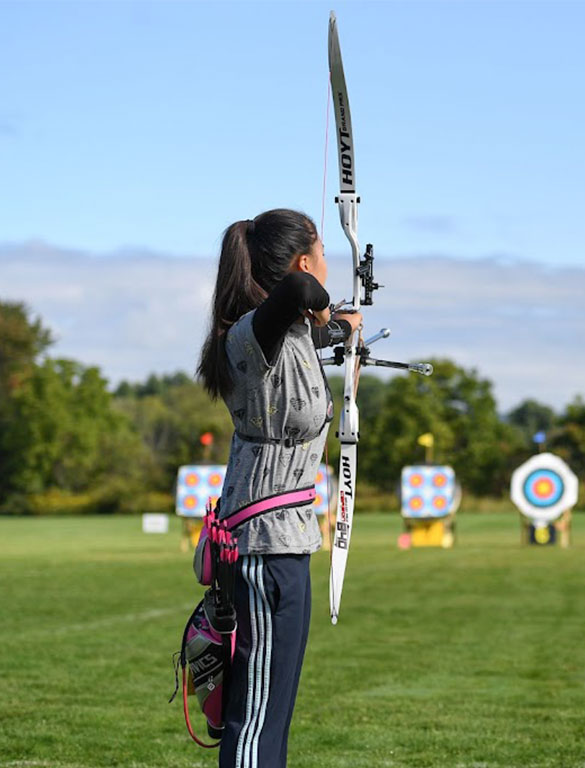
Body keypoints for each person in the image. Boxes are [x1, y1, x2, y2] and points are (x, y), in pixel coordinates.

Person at [197, 208, 360, 768]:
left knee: (274, 710)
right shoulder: (250, 332)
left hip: (283, 543)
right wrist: (321, 308)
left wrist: (340, 329)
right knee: (255, 718)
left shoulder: (284, 337)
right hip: (262, 547)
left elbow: (307, 327)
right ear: (303, 259)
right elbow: (298, 289)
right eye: (322, 253)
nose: (327, 266)